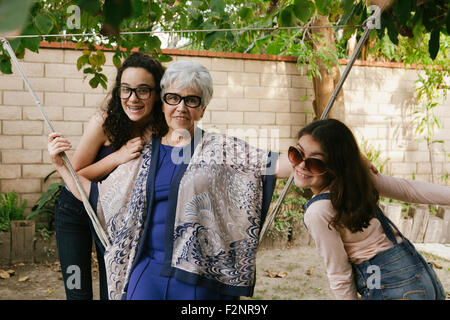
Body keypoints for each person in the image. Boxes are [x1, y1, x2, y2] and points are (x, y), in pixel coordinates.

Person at [48, 59, 292, 300]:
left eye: (192, 100)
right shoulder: (140, 149)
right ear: (163, 102)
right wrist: (62, 165)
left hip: (194, 273)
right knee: (80, 289)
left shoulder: (218, 147)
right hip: (136, 258)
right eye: (173, 98)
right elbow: (97, 194)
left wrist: (309, 156)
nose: (181, 107)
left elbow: (271, 164)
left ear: (203, 108)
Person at [288, 118, 448, 300]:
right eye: (296, 154)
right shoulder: (358, 181)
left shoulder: (317, 212)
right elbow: (409, 190)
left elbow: (340, 275)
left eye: (315, 163)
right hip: (423, 278)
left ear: (335, 167)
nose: (301, 165)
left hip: (390, 286)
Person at [53, 52, 166, 300]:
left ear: (157, 93)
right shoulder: (103, 122)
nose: (132, 98)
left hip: (118, 217)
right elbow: (77, 173)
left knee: (115, 289)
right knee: (77, 288)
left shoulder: (161, 130)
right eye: (125, 90)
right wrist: (119, 156)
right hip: (77, 209)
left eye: (143, 90)